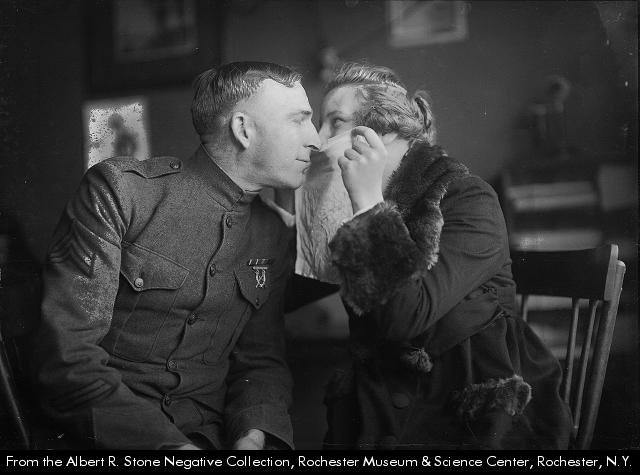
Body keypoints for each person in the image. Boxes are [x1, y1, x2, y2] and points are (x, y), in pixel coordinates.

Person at [29, 61, 321, 450]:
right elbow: (68, 357)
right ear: (243, 130)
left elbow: (261, 362)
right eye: (299, 120)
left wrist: (253, 434)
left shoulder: (272, 233)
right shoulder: (123, 194)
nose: (315, 139)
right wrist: (173, 449)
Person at [316, 62, 572, 449]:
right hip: (384, 405)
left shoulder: (468, 197)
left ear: (383, 131)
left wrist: (368, 205)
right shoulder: (355, 205)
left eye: (334, 122)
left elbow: (404, 319)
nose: (319, 140)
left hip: (473, 415)